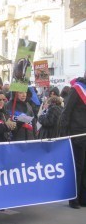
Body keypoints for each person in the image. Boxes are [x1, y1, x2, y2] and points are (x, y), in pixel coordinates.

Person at [59, 76, 86, 209]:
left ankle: (83, 197)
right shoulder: (76, 89)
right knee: (77, 167)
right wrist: (64, 135)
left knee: (84, 167)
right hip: (77, 135)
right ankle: (73, 198)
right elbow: (66, 112)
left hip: (84, 134)